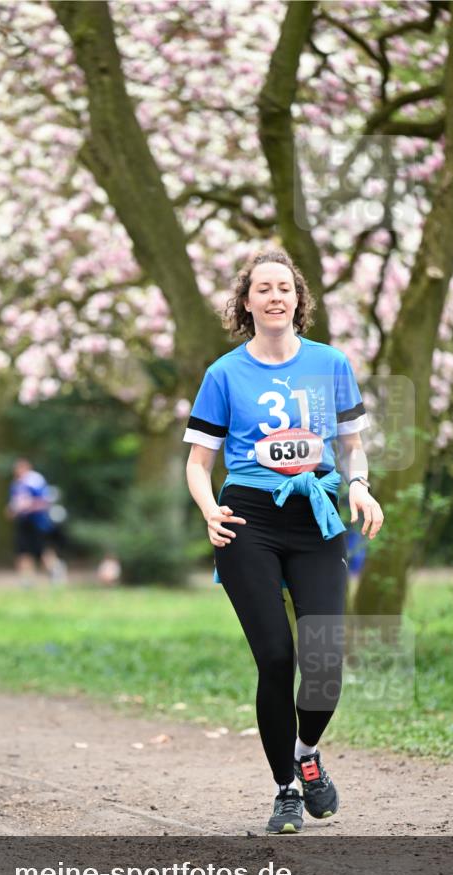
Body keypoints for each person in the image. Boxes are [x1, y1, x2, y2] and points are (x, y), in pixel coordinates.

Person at [184, 250, 384, 834]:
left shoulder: (330, 364)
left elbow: (351, 446)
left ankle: (306, 752)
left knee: (323, 665)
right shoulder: (224, 373)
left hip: (316, 516)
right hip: (246, 519)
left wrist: (361, 488)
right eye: (262, 289)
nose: (275, 297)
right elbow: (199, 463)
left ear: (299, 299)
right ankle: (286, 789)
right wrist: (208, 509)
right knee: (275, 657)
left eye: (285, 288)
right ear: (246, 302)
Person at [7, 458, 67, 584]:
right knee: (22, 551)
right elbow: (14, 504)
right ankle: (27, 580)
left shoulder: (35, 481)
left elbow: (45, 502)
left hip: (37, 522)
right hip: (23, 522)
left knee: (42, 550)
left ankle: (55, 571)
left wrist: (29, 505)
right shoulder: (16, 484)